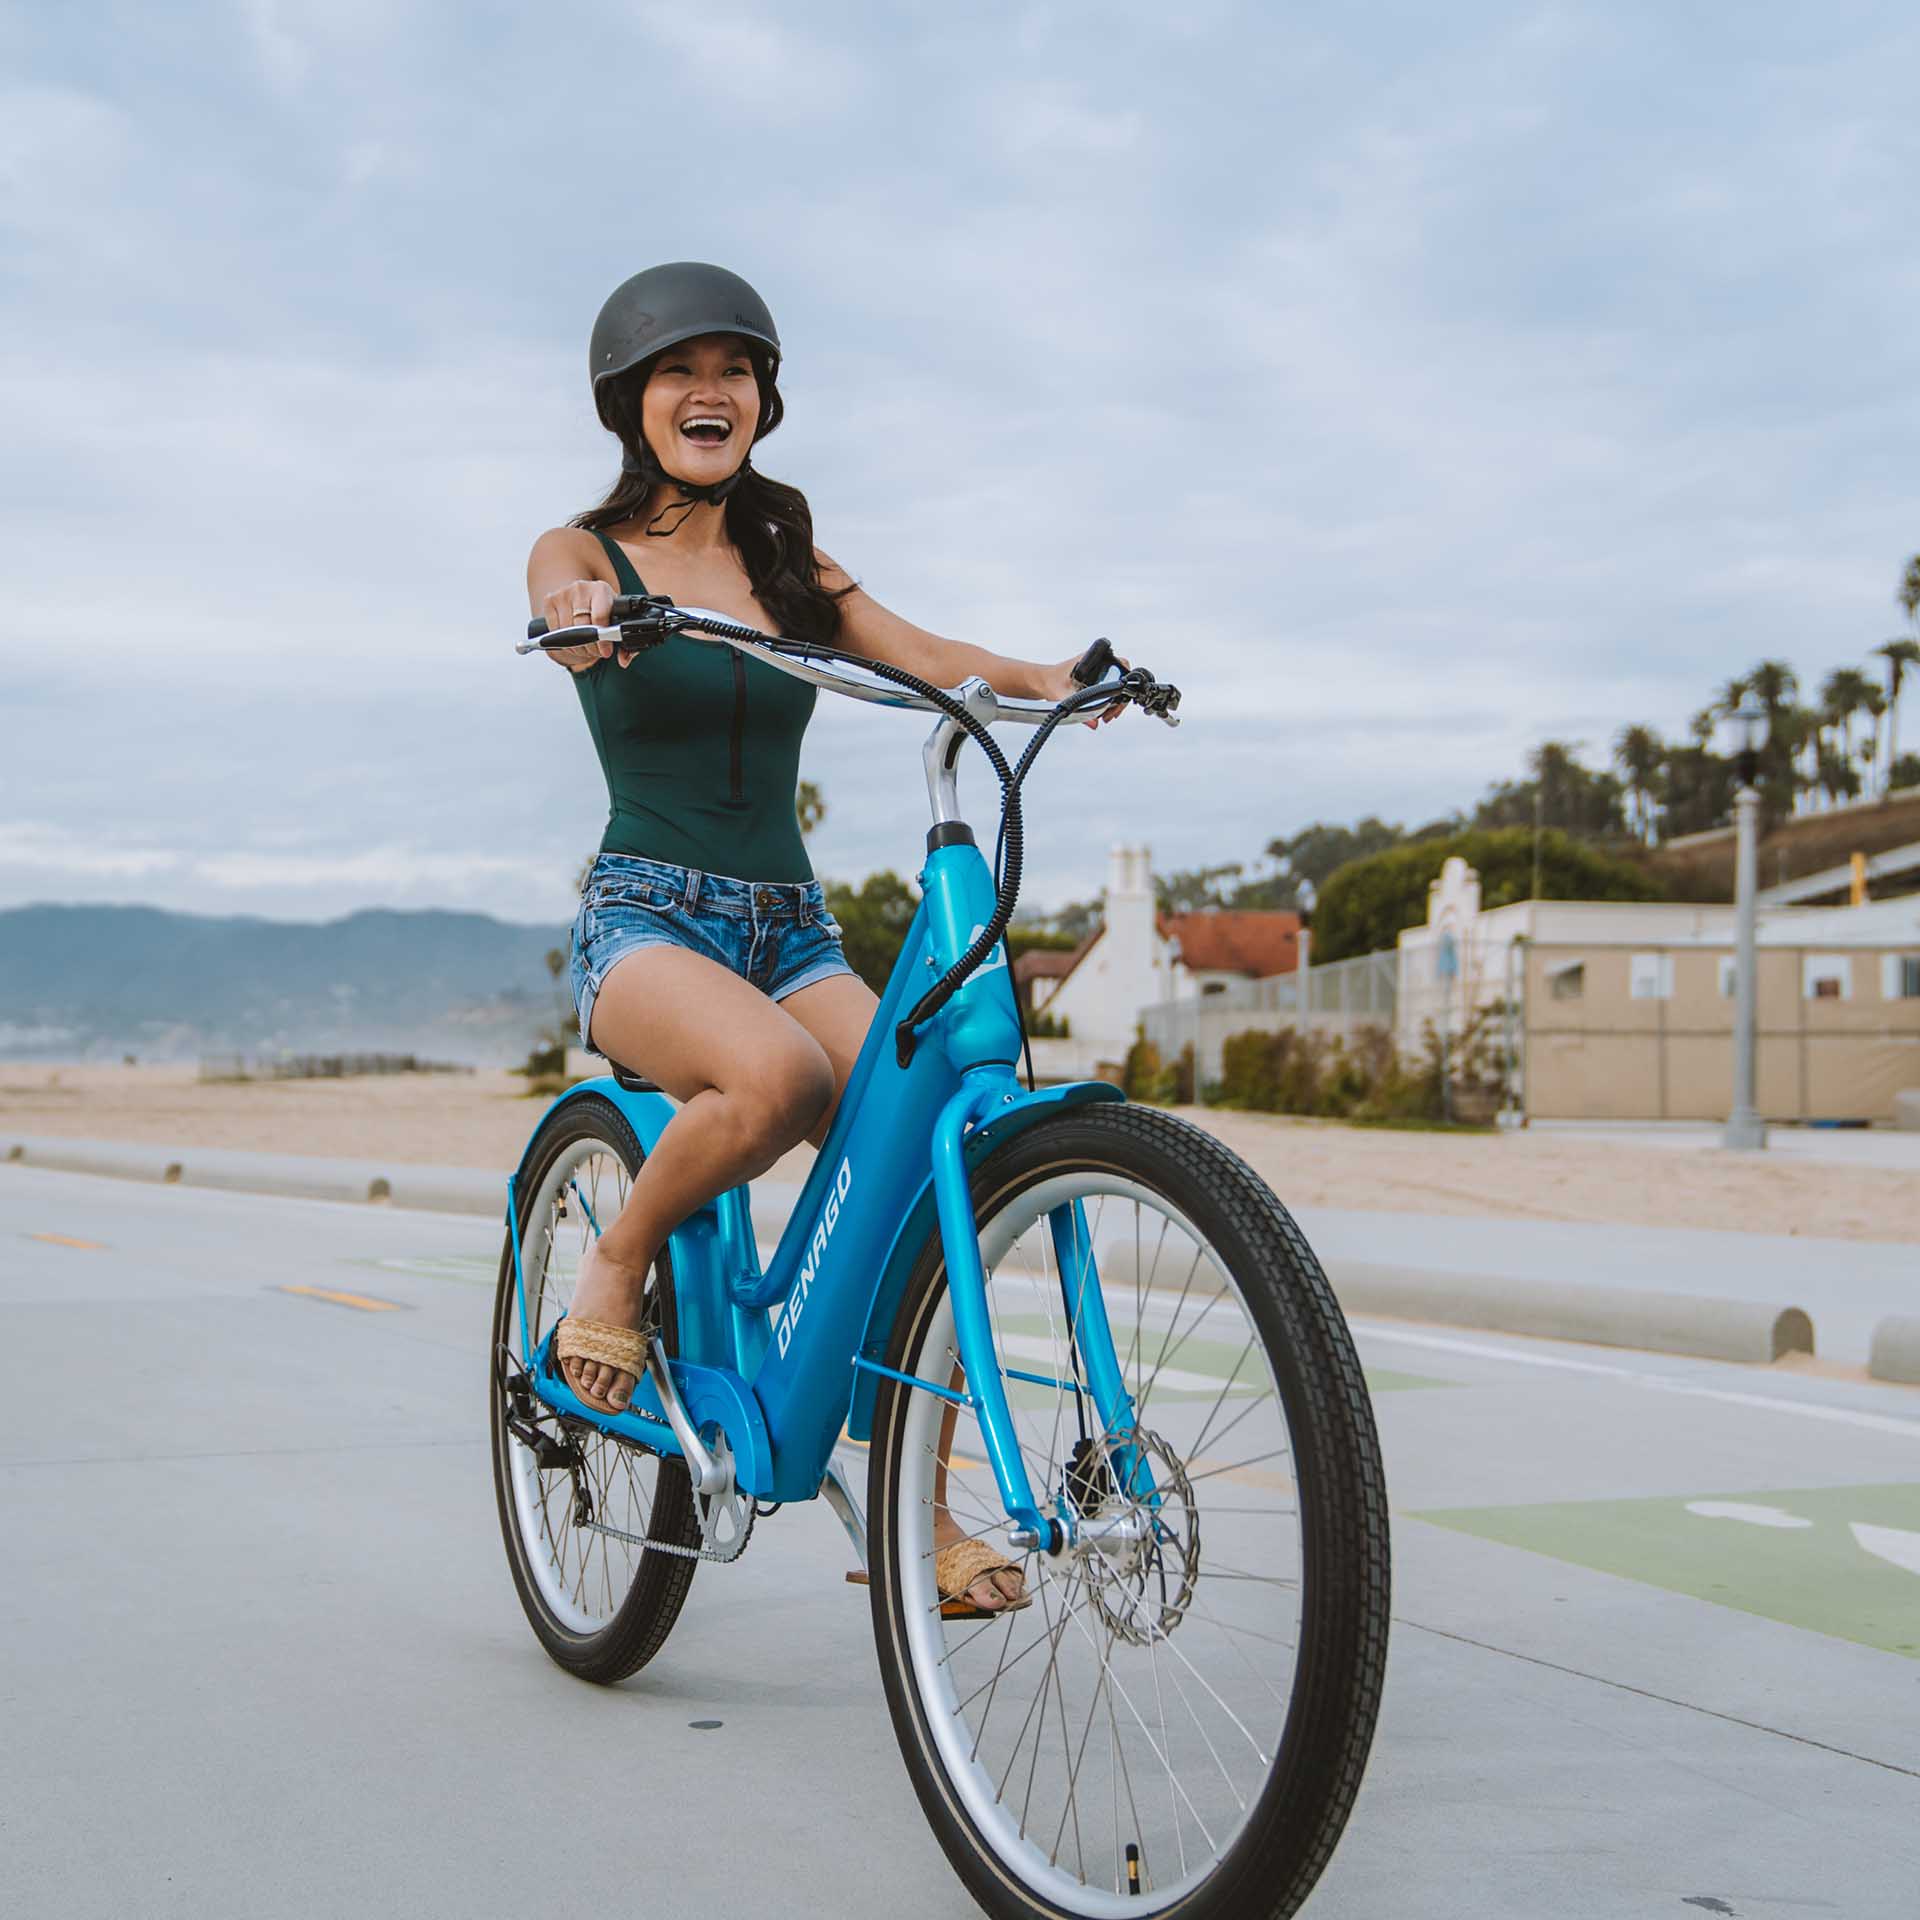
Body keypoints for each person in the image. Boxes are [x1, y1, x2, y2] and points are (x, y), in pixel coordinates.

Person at [526, 262, 1125, 1613]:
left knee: (929, 1153)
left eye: (734, 371)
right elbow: (559, 600)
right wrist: (578, 621)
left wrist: (1050, 680)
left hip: (790, 930)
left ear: (763, 399)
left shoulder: (789, 563)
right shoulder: (586, 553)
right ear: (631, 403)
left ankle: (919, 1507)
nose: (711, 393)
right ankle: (618, 1259)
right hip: (646, 918)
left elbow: (917, 652)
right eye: (680, 373)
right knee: (778, 1080)